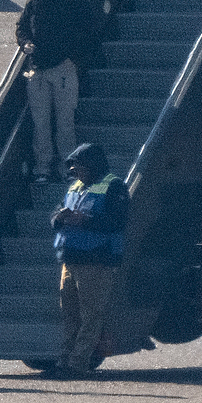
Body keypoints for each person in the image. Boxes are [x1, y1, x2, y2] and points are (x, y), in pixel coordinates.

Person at [16, 0, 99, 183]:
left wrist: (73, 58)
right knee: (40, 123)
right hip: (37, 70)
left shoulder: (74, 1)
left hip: (63, 68)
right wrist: (25, 44)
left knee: (65, 122)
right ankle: (43, 167)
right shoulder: (34, 1)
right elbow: (21, 27)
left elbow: (88, 31)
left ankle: (68, 168)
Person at [51, 143, 128, 379]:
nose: (75, 170)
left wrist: (84, 221)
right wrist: (59, 218)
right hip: (70, 259)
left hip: (96, 261)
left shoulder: (114, 186)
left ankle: (78, 363)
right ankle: (65, 360)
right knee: (70, 314)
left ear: (93, 165)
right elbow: (55, 215)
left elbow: (118, 222)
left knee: (91, 315)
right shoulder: (74, 187)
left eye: (79, 166)